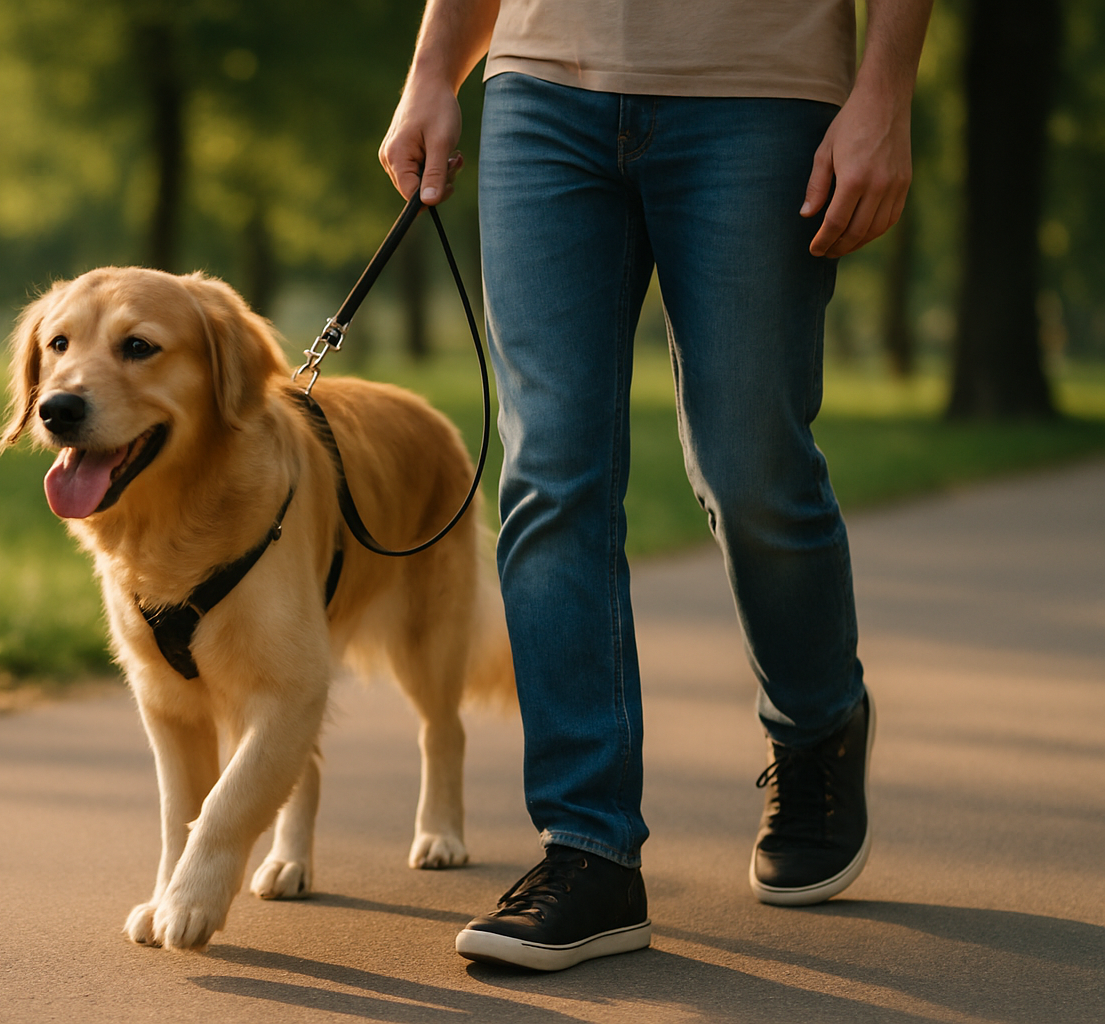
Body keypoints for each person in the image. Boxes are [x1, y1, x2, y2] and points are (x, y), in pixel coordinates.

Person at [380, 0, 932, 972]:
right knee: (549, 476)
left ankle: (817, 724)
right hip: (543, 83)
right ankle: (587, 849)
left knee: (750, 468)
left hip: (761, 91)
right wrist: (433, 68)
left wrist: (884, 91)